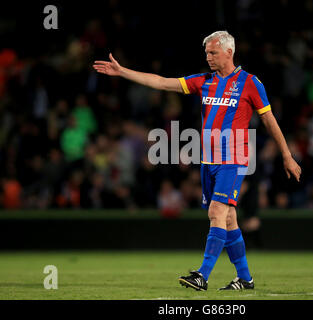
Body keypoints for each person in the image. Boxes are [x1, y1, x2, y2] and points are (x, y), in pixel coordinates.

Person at [93, 31, 301, 291]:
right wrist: (124, 72)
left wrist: (287, 155)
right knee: (227, 219)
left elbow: (270, 121)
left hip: (233, 159)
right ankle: (245, 279)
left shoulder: (250, 83)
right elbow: (161, 82)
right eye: (206, 53)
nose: (208, 57)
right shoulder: (204, 81)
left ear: (229, 52)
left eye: (213, 52)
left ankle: (202, 275)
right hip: (208, 161)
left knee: (216, 211)